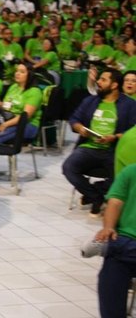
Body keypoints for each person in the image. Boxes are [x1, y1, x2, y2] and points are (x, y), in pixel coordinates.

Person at [65, 69, 136, 215]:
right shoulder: (90, 101)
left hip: (114, 150)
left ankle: (96, 191)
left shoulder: (129, 105)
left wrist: (114, 136)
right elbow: (74, 119)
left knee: (120, 176)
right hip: (88, 147)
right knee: (68, 168)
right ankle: (96, 197)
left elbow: (132, 130)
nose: (98, 82)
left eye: (103, 80)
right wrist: (79, 128)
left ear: (114, 85)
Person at [88, 163, 136, 317]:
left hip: (123, 247)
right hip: (125, 244)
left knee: (117, 249)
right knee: (113, 269)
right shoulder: (131, 171)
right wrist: (108, 227)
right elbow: (114, 202)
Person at [0, 62, 42, 144]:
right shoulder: (13, 87)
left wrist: (5, 124)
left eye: (22, 72)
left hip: (27, 125)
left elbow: (24, 117)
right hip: (8, 119)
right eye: (17, 71)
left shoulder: (35, 92)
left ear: (30, 75)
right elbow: (6, 108)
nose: (17, 74)